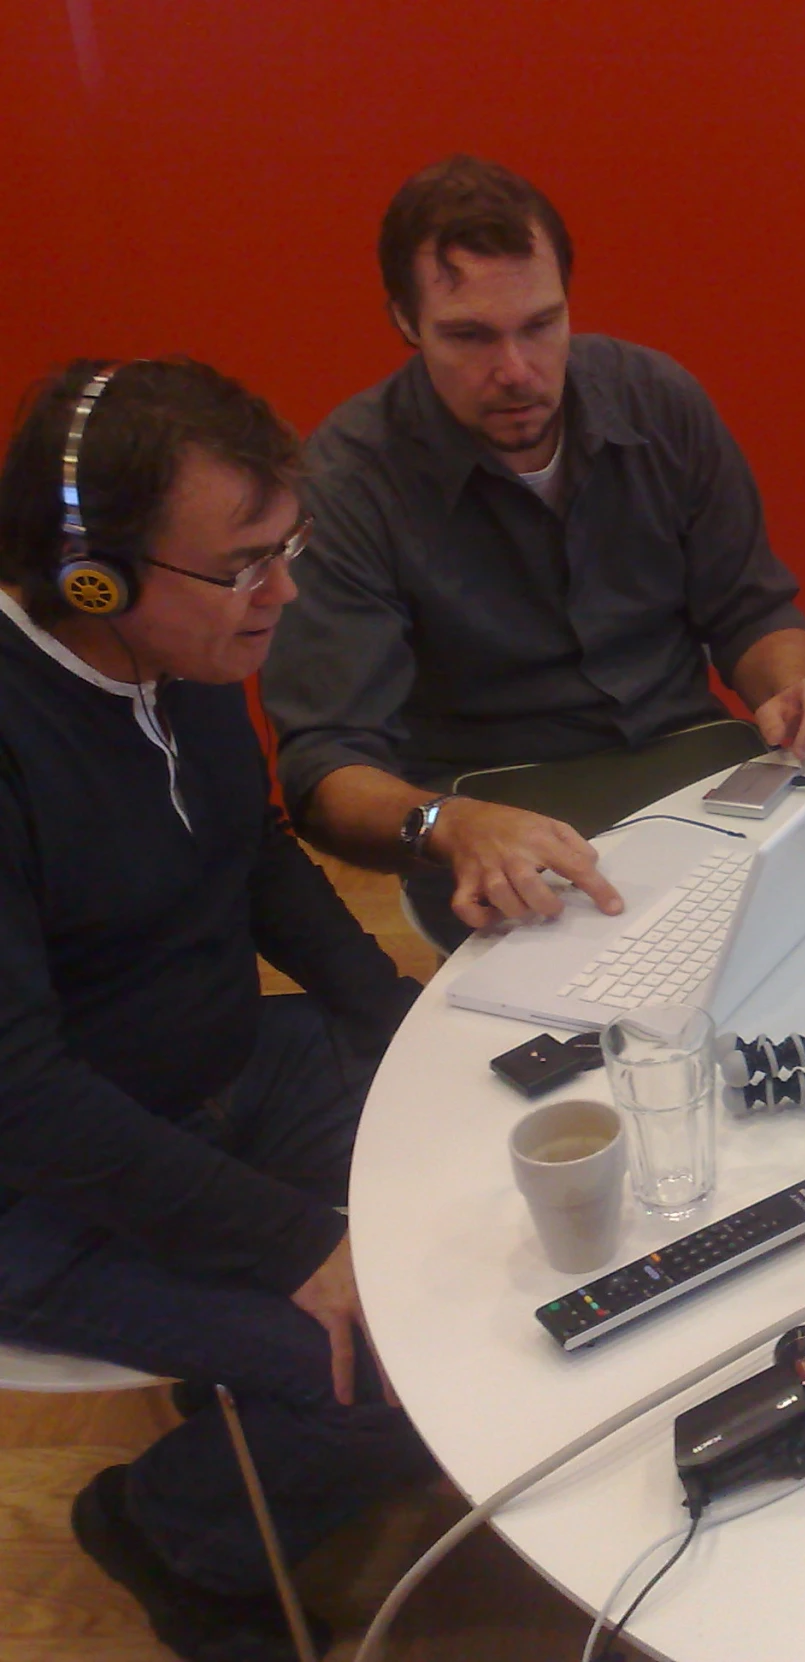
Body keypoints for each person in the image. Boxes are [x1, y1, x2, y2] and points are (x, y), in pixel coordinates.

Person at [0, 358, 431, 1661]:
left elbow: (253, 854)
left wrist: (403, 1018)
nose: (282, 594)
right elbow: (24, 1098)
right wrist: (295, 1241)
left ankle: (244, 1391)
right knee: (397, 1361)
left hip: (229, 1073)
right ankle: (165, 1522)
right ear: (95, 580)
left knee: (493, 1177)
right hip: (51, 1188)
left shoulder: (182, 646)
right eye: (246, 563)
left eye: (284, 548)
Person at [261, 155, 805, 949]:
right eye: (470, 336)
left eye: (541, 325)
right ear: (405, 323)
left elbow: (750, 609)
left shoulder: (657, 401)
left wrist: (795, 692)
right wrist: (447, 823)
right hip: (496, 810)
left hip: (691, 770)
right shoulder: (347, 478)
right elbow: (326, 765)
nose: (515, 371)